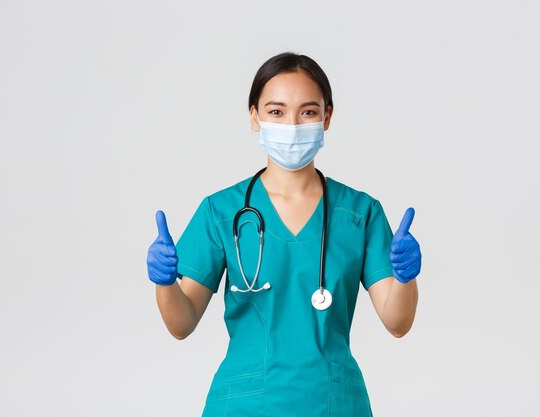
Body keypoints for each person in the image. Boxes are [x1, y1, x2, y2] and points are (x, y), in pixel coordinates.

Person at [146, 51, 421, 417]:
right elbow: (181, 324)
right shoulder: (221, 211)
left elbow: (397, 322)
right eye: (276, 111)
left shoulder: (359, 213)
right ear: (254, 117)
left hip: (332, 403)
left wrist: (406, 277)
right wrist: (164, 283)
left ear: (327, 116)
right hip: (245, 403)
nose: (292, 124)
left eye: (307, 111)